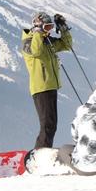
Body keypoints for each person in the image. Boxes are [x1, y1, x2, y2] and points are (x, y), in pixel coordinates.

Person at [21, 11, 73, 148]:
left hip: (50, 86)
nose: (48, 30)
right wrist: (38, 32)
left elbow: (67, 45)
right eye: (46, 27)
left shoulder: (47, 42)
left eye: (50, 27)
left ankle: (43, 152)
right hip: (41, 88)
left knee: (52, 125)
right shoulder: (28, 42)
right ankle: (40, 154)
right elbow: (36, 52)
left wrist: (63, 28)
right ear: (37, 26)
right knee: (47, 125)